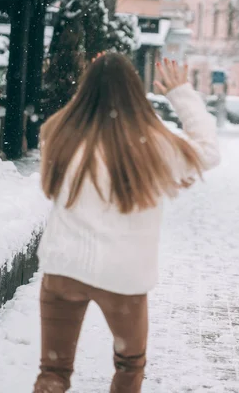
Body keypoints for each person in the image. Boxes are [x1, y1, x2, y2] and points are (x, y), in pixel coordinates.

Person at [33, 53, 220, 393]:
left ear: (85, 90)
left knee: (53, 372)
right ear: (135, 92)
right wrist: (181, 94)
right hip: (123, 278)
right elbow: (208, 151)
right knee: (129, 365)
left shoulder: (57, 132)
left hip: (63, 270)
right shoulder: (154, 145)